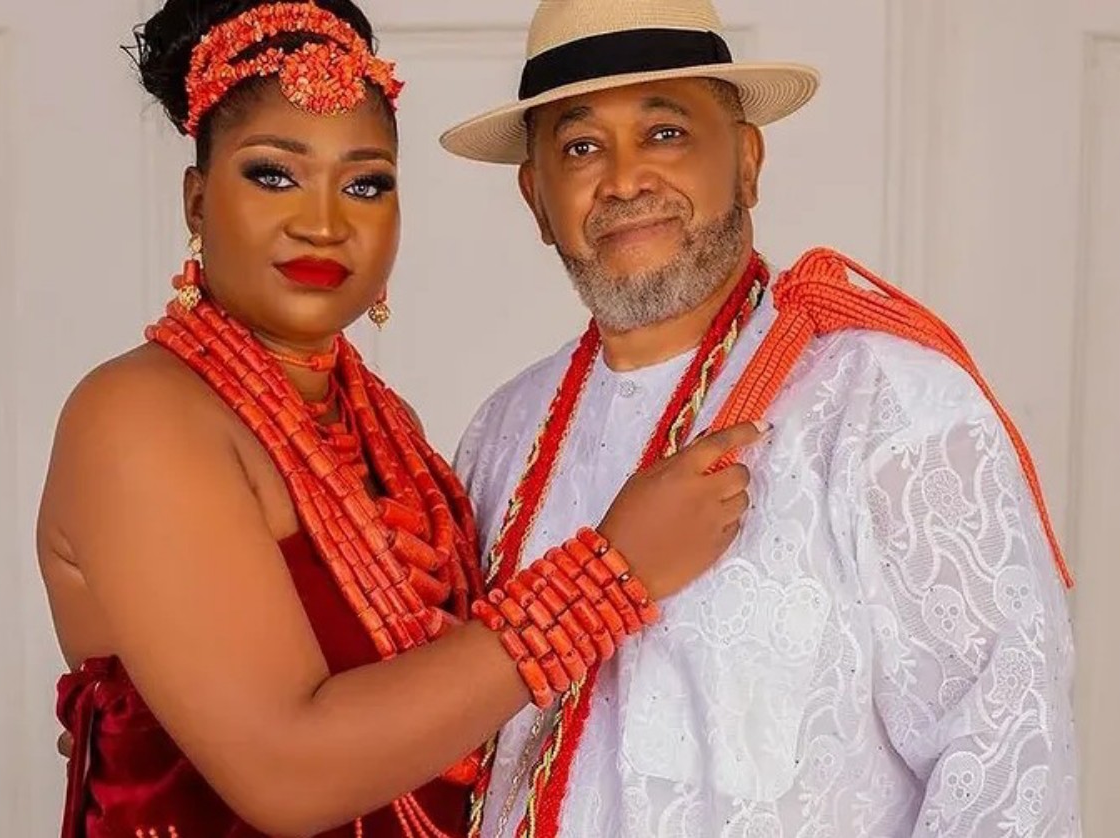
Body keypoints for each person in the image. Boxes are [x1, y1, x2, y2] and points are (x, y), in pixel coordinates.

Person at [36, 2, 762, 836]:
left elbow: (459, 722)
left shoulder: (388, 427)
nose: (322, 222)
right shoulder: (136, 418)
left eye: (365, 183)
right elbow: (288, 773)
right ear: (197, 202)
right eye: (273, 174)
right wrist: (611, 575)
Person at [441, 1, 1082, 836]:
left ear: (747, 162)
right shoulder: (501, 435)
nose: (625, 180)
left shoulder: (889, 407)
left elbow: (1009, 763)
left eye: (665, 132)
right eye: (581, 147)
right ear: (536, 198)